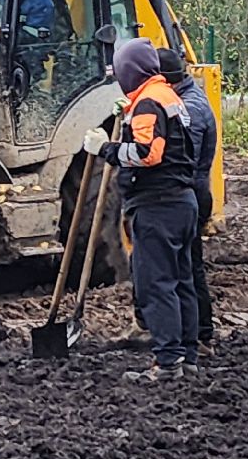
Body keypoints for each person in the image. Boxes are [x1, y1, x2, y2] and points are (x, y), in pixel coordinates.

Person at [89, 38, 197, 380]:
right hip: (182, 201)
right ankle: (187, 356)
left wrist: (106, 148)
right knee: (181, 282)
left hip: (158, 205)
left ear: (129, 72)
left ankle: (167, 363)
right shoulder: (168, 96)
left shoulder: (149, 103)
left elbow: (148, 154)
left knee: (156, 284)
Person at [158, 47, 219, 353]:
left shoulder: (189, 109)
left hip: (189, 193)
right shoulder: (188, 98)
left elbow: (181, 158)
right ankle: (196, 333)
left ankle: (199, 334)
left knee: (187, 268)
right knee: (187, 266)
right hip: (193, 191)